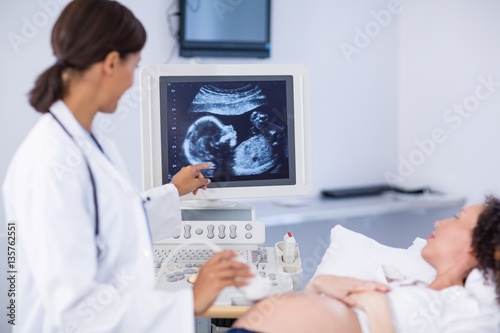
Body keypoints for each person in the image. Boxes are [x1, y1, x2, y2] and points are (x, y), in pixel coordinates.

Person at [2, 1, 253, 332]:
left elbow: (111, 229)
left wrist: (174, 191)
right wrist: (189, 301)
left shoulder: (88, 142)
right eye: (134, 67)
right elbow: (76, 311)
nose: (133, 82)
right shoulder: (50, 164)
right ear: (110, 63)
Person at [230, 197, 500, 333]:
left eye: (456, 218)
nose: (439, 223)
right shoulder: (415, 285)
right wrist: (325, 284)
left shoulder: (468, 309)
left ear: (480, 244)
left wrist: (373, 303)